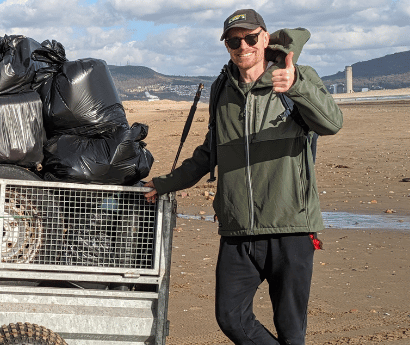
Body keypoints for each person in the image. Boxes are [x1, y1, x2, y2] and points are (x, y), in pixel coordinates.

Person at [144, 9, 343, 345]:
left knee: (291, 331)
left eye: (250, 37)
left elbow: (331, 123)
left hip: (290, 227)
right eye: (234, 41)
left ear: (265, 38)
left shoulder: (297, 76)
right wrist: (163, 184)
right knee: (230, 317)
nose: (243, 46)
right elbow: (210, 153)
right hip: (238, 229)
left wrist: (296, 88)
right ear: (227, 46)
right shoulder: (223, 89)